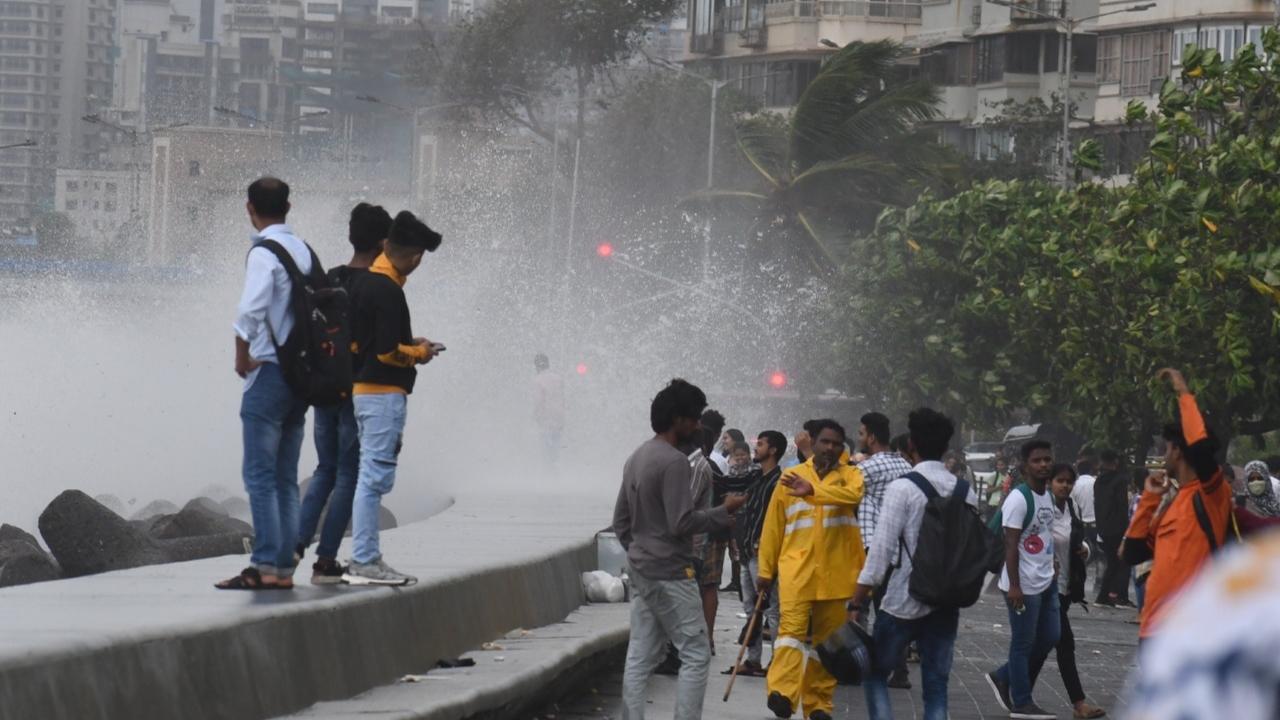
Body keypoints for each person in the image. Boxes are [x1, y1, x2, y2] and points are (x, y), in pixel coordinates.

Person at [613, 379, 745, 720]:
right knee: (697, 653)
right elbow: (681, 523)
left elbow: (621, 522)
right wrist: (723, 512)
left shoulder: (636, 456)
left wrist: (639, 552)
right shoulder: (674, 462)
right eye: (694, 418)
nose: (698, 425)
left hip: (641, 569)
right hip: (671, 571)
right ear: (677, 420)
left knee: (640, 654)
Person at [218, 177, 314, 591]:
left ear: (249, 208)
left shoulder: (264, 252)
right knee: (285, 477)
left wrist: (241, 355)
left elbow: (251, 309)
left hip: (270, 373)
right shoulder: (304, 250)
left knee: (258, 475)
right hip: (301, 377)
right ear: (288, 206)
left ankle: (263, 565)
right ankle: (284, 569)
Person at [850, 407, 974, 720]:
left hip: (903, 598)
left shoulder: (903, 488)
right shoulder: (965, 491)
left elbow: (880, 554)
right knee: (936, 686)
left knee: (876, 673)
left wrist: (857, 599)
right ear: (946, 447)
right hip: (947, 601)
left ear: (911, 445)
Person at [342, 210, 442, 586]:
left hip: (363, 392)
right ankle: (365, 559)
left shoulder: (366, 283)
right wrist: (419, 353)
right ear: (415, 256)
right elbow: (386, 353)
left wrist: (409, 344)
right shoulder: (387, 291)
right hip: (382, 394)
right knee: (373, 479)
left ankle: (368, 557)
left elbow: (367, 343)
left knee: (369, 476)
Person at [295, 202, 392, 584]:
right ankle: (325, 560)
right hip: (359, 393)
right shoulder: (379, 286)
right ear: (383, 242)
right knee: (349, 474)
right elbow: (384, 348)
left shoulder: (330, 279)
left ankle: (296, 544)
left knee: (325, 469)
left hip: (325, 389)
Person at [756, 419, 865, 720]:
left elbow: (853, 497)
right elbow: (773, 527)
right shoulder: (790, 478)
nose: (830, 447)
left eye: (836, 443)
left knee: (827, 645)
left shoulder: (851, 476)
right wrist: (765, 570)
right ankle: (782, 694)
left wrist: (812, 491)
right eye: (825, 441)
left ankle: (817, 705)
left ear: (842, 448)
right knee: (789, 634)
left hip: (836, 575)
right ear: (813, 443)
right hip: (796, 571)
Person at [1121, 368, 1232, 644]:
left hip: (1191, 631)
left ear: (1178, 451)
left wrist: (1184, 393)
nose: (1162, 456)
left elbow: (1200, 449)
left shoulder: (1211, 493)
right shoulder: (1172, 502)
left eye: (1166, 448)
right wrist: (1149, 499)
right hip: (1154, 628)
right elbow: (1132, 552)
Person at [986, 439, 1059, 720]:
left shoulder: (1047, 495)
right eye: (1037, 460)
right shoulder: (1019, 498)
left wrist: (1052, 562)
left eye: (1047, 459)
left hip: (1046, 579)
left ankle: (1003, 676)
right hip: (1022, 585)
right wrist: (1014, 585)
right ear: (1025, 465)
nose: (1043, 465)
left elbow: (1041, 533)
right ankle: (1022, 702)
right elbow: (1010, 544)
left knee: (1051, 635)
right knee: (1022, 642)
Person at [1027, 464, 1106, 719]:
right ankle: (1078, 703)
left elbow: (1078, 538)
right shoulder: (1042, 506)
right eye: (1060, 481)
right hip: (1044, 586)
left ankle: (1016, 688)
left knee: (1046, 641)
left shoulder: (1071, 507)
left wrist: (1084, 547)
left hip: (1064, 586)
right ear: (1051, 482)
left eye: (1068, 482)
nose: (1065, 485)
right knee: (1064, 642)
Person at [853, 411, 913, 689]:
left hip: (871, 547)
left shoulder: (867, 469)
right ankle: (898, 669)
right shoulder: (905, 466)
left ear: (872, 436)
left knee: (859, 607)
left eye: (862, 434)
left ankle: (865, 664)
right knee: (890, 610)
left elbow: (840, 488)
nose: (859, 438)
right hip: (900, 551)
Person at [731, 430, 787, 677]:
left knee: (771, 608)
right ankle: (753, 660)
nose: (756, 448)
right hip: (746, 553)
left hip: (763, 554)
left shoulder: (779, 482)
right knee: (750, 606)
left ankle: (777, 661)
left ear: (773, 450)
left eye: (761, 444)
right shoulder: (756, 479)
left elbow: (774, 521)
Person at [1092, 449, 1133, 607]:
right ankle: (1119, 596)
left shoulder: (1099, 480)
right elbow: (1122, 505)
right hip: (1118, 527)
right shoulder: (1120, 480)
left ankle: (1105, 596)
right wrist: (1126, 529)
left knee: (1113, 562)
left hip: (1103, 527)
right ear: (1115, 462)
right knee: (1121, 562)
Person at [532, 353, 566, 466]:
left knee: (546, 446)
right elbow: (562, 398)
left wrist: (536, 415)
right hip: (559, 416)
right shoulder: (558, 378)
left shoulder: (538, 381)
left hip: (546, 418)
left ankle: (548, 470)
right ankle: (554, 465)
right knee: (555, 444)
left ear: (537, 365)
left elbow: (538, 401)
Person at [1071, 456, 1099, 575]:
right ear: (1091, 470)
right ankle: (1099, 581)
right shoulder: (1096, 482)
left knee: (1083, 555)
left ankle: (1082, 578)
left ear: (1078, 470)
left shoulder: (1074, 486)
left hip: (1082, 526)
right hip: (1098, 525)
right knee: (1100, 556)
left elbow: (1073, 507)